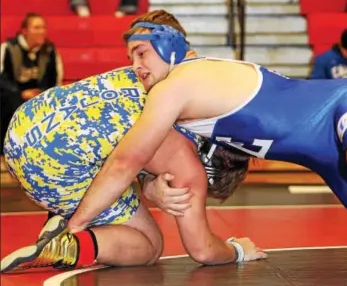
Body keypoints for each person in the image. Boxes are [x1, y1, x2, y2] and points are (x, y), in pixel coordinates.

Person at [66, 10, 347, 260]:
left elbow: (125, 162)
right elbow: (160, 166)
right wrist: (153, 187)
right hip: (327, 161)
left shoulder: (177, 85)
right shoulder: (180, 101)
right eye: (130, 57)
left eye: (140, 52)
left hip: (343, 107)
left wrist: (76, 225)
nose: (135, 66)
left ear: (167, 46)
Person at [0, 66, 266, 274]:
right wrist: (237, 250)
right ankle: (67, 244)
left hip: (23, 125)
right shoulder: (186, 161)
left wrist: (150, 184)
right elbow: (203, 251)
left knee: (99, 149)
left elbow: (118, 132)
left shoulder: (172, 79)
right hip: (48, 167)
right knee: (149, 245)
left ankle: (60, 217)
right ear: (209, 166)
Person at [0, 12, 63, 171]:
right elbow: (2, 78)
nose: (41, 31)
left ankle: (42, 156)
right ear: (25, 31)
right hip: (11, 95)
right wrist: (20, 93)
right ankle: (6, 155)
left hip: (38, 95)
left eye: (43, 27)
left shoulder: (49, 50)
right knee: (9, 105)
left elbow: (55, 79)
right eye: (36, 27)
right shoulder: (8, 47)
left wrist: (41, 93)